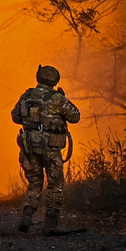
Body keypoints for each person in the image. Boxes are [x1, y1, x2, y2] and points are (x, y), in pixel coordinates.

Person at [11, 65, 80, 234]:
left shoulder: (26, 96)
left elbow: (15, 116)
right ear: (55, 80)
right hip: (50, 147)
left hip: (29, 146)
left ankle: (27, 217)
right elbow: (75, 116)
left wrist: (33, 122)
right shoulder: (57, 98)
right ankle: (51, 225)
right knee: (55, 184)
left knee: (34, 182)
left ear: (38, 77)